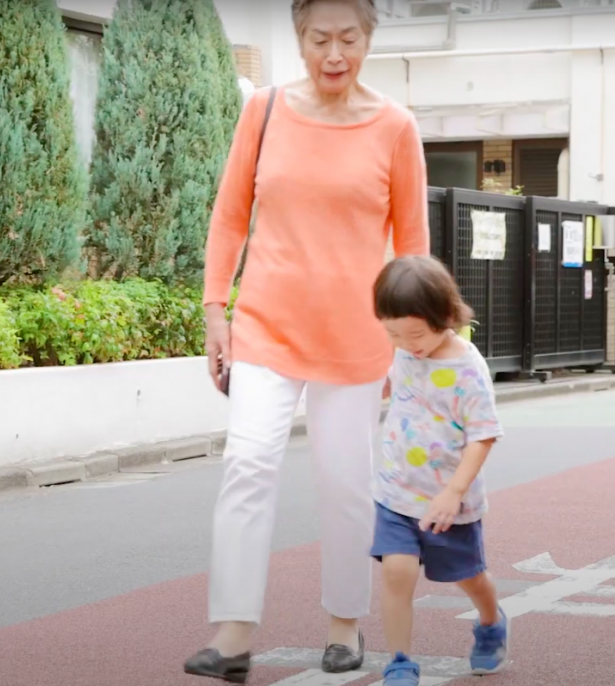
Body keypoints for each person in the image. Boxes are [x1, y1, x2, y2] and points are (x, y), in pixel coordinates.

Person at [182, 0, 430, 682]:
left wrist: (410, 340)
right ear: (299, 38)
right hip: (266, 326)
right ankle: (233, 635)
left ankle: (344, 623)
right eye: (320, 38)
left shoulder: (395, 127)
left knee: (346, 483)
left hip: (356, 336)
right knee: (247, 464)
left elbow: (412, 244)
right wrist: (215, 310)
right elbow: (230, 216)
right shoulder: (263, 111)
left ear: (368, 39)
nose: (334, 54)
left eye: (348, 38)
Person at [370, 255, 509, 685]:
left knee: (469, 577)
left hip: (449, 502)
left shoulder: (467, 368)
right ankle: (400, 661)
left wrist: (453, 492)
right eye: (393, 333)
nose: (406, 343)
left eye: (416, 334)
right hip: (396, 491)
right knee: (396, 571)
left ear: (445, 317)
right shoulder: (405, 351)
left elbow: (483, 435)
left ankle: (491, 620)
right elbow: (398, 386)